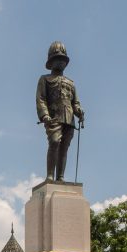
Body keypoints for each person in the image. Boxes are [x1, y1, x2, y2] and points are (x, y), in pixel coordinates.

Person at [36, 41, 84, 182]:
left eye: (63, 59)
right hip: (54, 118)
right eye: (57, 59)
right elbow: (41, 99)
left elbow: (75, 103)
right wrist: (45, 115)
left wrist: (79, 111)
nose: (60, 62)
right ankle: (50, 175)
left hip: (69, 119)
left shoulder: (71, 83)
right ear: (51, 62)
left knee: (64, 147)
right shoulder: (45, 79)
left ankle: (60, 176)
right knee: (54, 142)